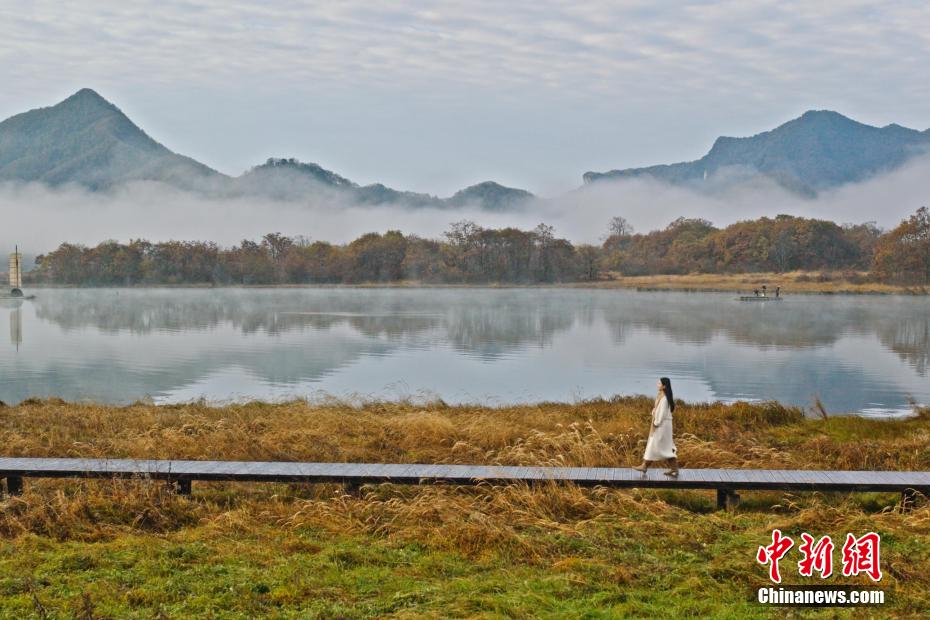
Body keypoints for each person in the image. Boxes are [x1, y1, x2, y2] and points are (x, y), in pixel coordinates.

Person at [633, 377, 679, 476]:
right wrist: (654, 411)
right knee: (665, 447)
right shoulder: (662, 396)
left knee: (657, 445)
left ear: (664, 386)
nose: (657, 384)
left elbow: (662, 414)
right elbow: (659, 410)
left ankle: (644, 466)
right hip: (664, 425)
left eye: (659, 383)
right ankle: (673, 469)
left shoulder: (664, 398)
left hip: (662, 426)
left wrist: (656, 423)